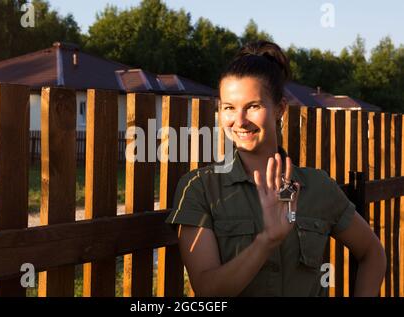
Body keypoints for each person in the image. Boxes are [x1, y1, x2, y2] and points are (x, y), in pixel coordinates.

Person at [165, 40, 386, 297]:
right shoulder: (200, 188)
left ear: (280, 109)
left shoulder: (317, 186)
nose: (239, 121)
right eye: (229, 108)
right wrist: (267, 240)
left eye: (253, 106)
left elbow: (372, 252)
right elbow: (207, 290)